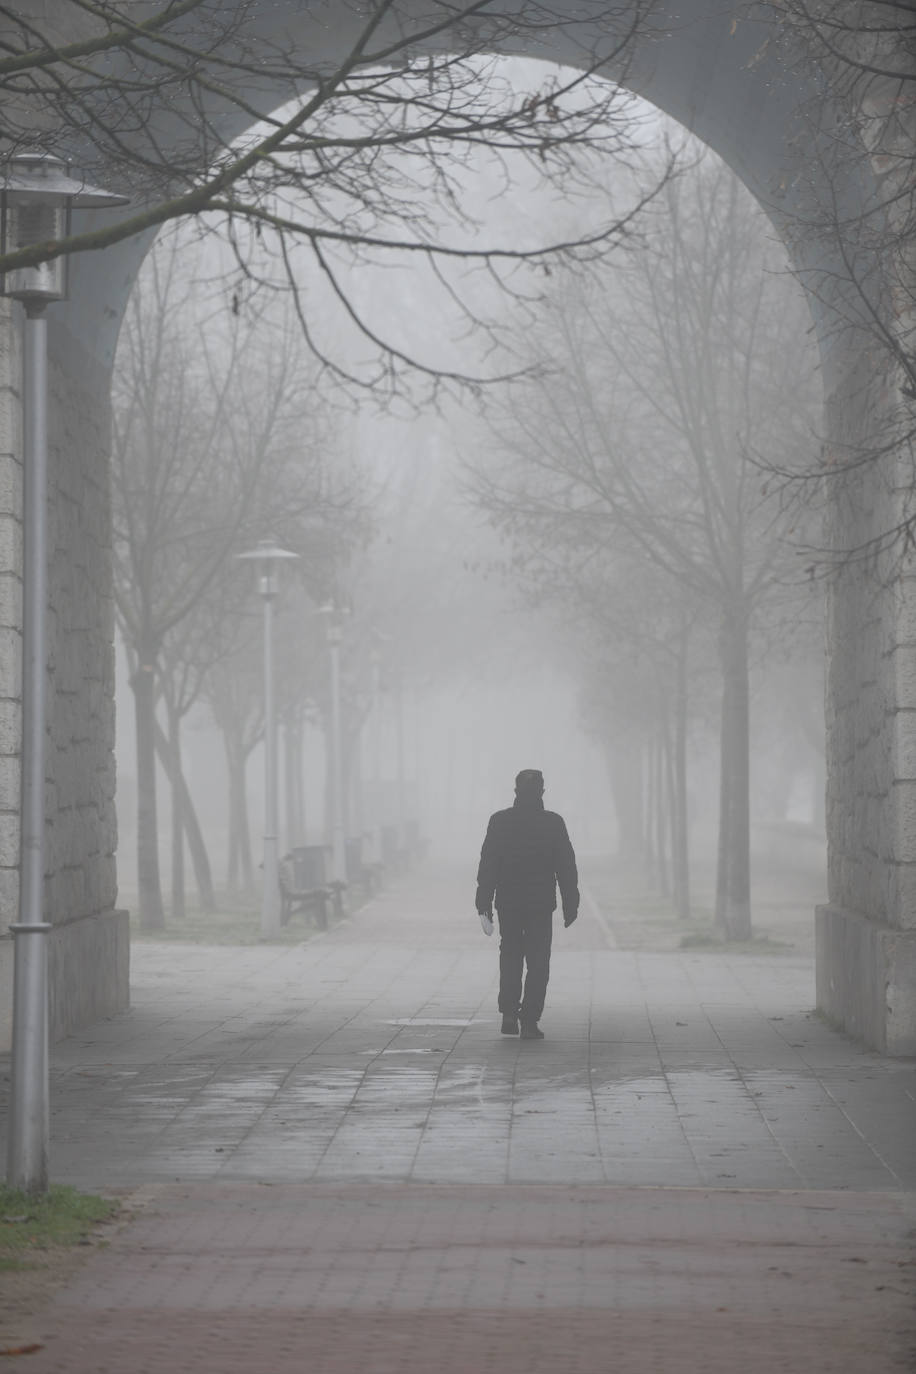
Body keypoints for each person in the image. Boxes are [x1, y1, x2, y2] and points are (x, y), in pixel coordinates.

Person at [475, 768, 579, 1040]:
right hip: (540, 905)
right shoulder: (553, 823)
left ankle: (509, 1012)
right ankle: (530, 1020)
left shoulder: (499, 822)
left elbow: (488, 864)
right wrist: (571, 901)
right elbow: (566, 865)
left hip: (508, 902)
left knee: (510, 955)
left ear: (516, 792)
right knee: (538, 961)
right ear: (542, 793)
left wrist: (483, 901)